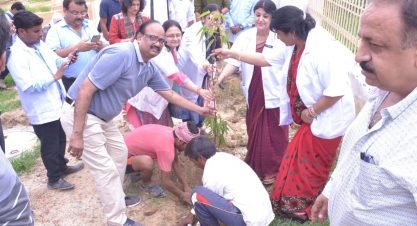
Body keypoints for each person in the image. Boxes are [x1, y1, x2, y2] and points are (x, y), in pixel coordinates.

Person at [60, 20, 213, 226]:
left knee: (120, 154)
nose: (158, 43)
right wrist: (77, 134)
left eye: (161, 40)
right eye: (153, 38)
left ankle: (116, 196)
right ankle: (117, 220)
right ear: (139, 37)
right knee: (105, 169)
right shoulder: (121, 55)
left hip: (104, 118)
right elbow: (85, 90)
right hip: (83, 113)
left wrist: (200, 108)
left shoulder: (147, 68)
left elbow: (170, 95)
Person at [214, 5, 355, 222]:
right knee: (294, 159)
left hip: (326, 118)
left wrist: (313, 110)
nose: (277, 38)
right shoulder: (294, 45)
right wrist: (231, 53)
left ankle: (304, 205)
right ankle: (288, 200)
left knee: (311, 165)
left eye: (278, 33)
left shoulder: (322, 50)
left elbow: (336, 90)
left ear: (290, 31)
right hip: (310, 121)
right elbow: (264, 60)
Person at [311, 0, 417, 225]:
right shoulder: (381, 91)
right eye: (361, 39)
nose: (358, 55)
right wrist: (332, 190)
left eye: (375, 44)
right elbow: (356, 154)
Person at [7, 11, 83, 191]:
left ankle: (62, 166)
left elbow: (54, 59)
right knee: (50, 145)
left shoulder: (38, 44)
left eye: (40, 30)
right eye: (36, 31)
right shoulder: (15, 55)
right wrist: (54, 77)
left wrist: (66, 60)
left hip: (56, 101)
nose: (41, 34)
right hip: (41, 108)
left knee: (60, 138)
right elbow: (28, 85)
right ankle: (54, 179)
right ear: (21, 31)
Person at [216, 0, 290, 185]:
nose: (261, 19)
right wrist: (221, 77)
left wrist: (233, 54)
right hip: (254, 89)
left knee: (274, 131)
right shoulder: (245, 37)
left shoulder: (279, 39)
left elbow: (260, 59)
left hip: (273, 92)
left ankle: (273, 169)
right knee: (254, 127)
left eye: (266, 16)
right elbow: (234, 61)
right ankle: (256, 165)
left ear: (272, 18)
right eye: (258, 15)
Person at [126, 20, 212, 127]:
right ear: (163, 37)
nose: (175, 38)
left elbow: (194, 53)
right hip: (149, 99)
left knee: (164, 128)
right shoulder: (160, 53)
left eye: (178, 35)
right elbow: (176, 76)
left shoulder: (174, 51)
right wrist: (199, 90)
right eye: (170, 36)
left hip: (162, 98)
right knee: (150, 131)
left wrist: (205, 64)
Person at [179, 135, 275, 226]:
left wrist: (191, 216)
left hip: (249, 221)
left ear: (200, 158)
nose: (194, 164)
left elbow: (203, 201)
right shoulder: (224, 157)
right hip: (263, 216)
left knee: (196, 194)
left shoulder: (211, 171)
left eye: (193, 161)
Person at [125, 122, 199, 201]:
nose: (187, 149)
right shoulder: (166, 148)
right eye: (188, 146)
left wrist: (185, 185)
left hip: (123, 149)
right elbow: (166, 181)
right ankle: (147, 184)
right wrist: (182, 195)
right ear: (180, 141)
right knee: (146, 162)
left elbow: (175, 162)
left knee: (147, 159)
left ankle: (138, 170)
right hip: (120, 161)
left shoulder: (172, 133)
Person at [46, 0, 105, 91]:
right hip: (72, 82)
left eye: (83, 12)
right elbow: (51, 55)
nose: (80, 16)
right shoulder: (55, 30)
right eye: (75, 13)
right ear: (65, 11)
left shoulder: (89, 24)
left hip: (95, 78)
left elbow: (102, 45)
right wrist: (77, 48)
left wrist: (100, 46)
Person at [177, 4, 220, 127]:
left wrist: (212, 69)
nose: (214, 22)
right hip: (190, 71)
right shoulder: (194, 31)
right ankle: (191, 130)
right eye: (211, 18)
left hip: (203, 73)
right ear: (203, 18)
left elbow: (213, 54)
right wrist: (205, 65)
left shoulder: (212, 32)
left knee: (202, 100)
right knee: (190, 103)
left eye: (217, 20)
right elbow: (194, 52)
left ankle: (198, 127)